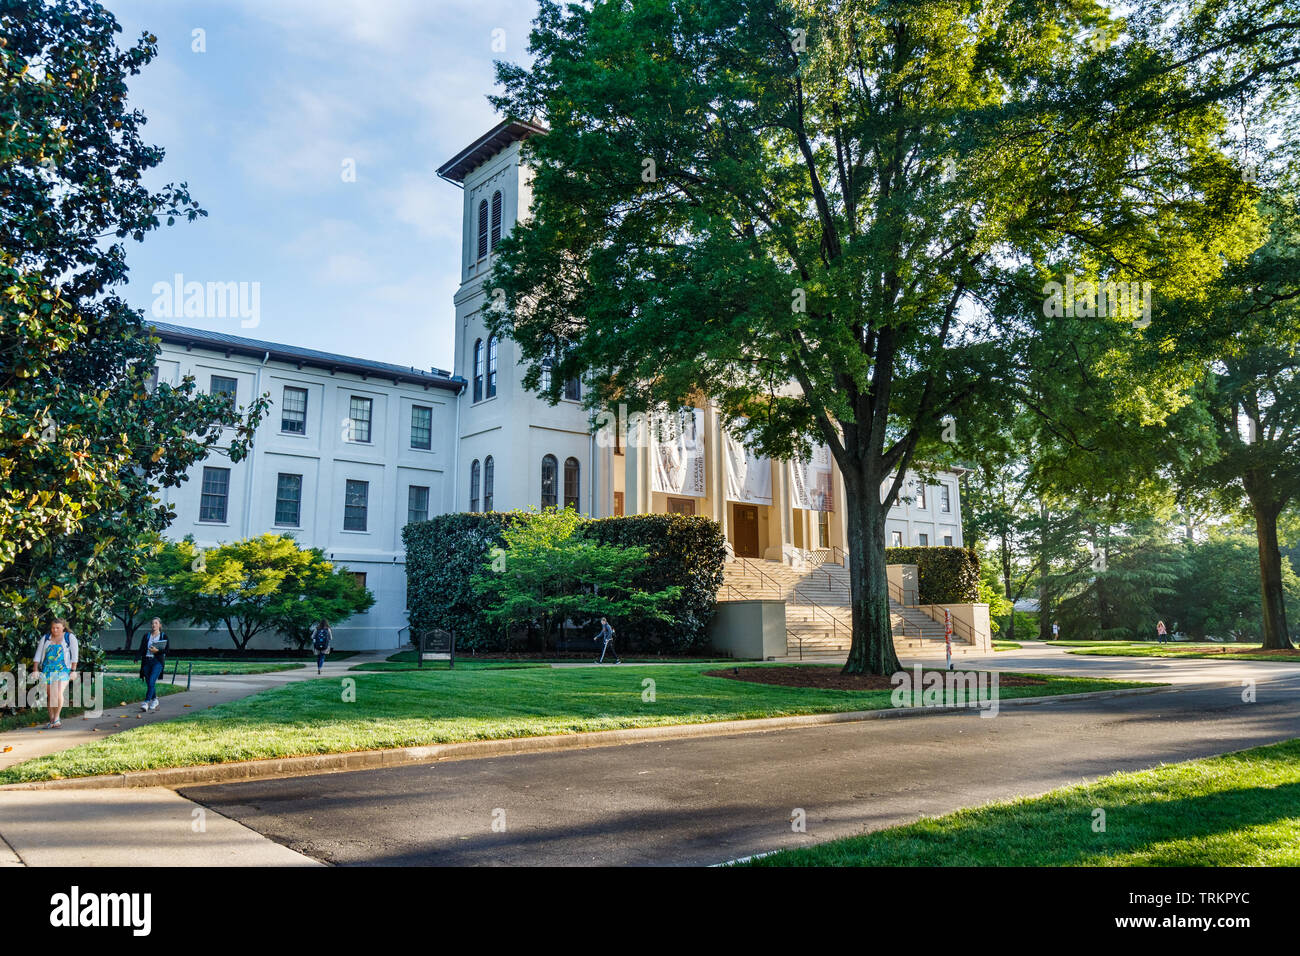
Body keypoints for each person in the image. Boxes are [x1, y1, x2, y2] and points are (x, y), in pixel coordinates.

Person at [32, 618, 78, 729]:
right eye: (53, 627)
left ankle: (57, 717)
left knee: (57, 693)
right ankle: (52, 720)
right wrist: (35, 669)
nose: (55, 630)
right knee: (50, 695)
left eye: (57, 628)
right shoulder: (46, 638)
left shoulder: (69, 637)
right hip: (47, 670)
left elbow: (75, 655)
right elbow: (38, 654)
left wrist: (73, 670)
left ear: (63, 627)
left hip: (63, 669)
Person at [138, 617, 168, 712]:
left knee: (151, 682)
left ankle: (146, 702)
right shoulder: (146, 636)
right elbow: (142, 648)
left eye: (156, 623)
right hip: (147, 661)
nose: (154, 625)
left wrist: (157, 651)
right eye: (152, 623)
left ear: (160, 625)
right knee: (149, 683)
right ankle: (155, 700)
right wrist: (137, 657)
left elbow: (167, 650)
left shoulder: (163, 636)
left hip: (157, 662)